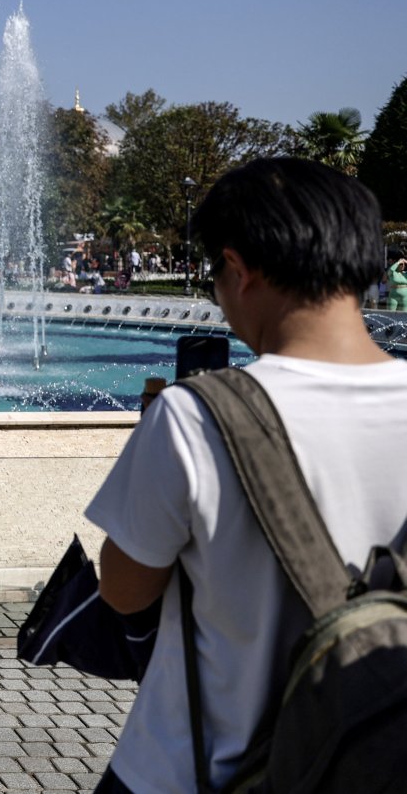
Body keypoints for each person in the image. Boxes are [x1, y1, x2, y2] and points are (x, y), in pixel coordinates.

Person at [88, 158, 407, 793]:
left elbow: (123, 590)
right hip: (375, 757)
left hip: (196, 770)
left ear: (240, 269)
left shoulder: (194, 418)